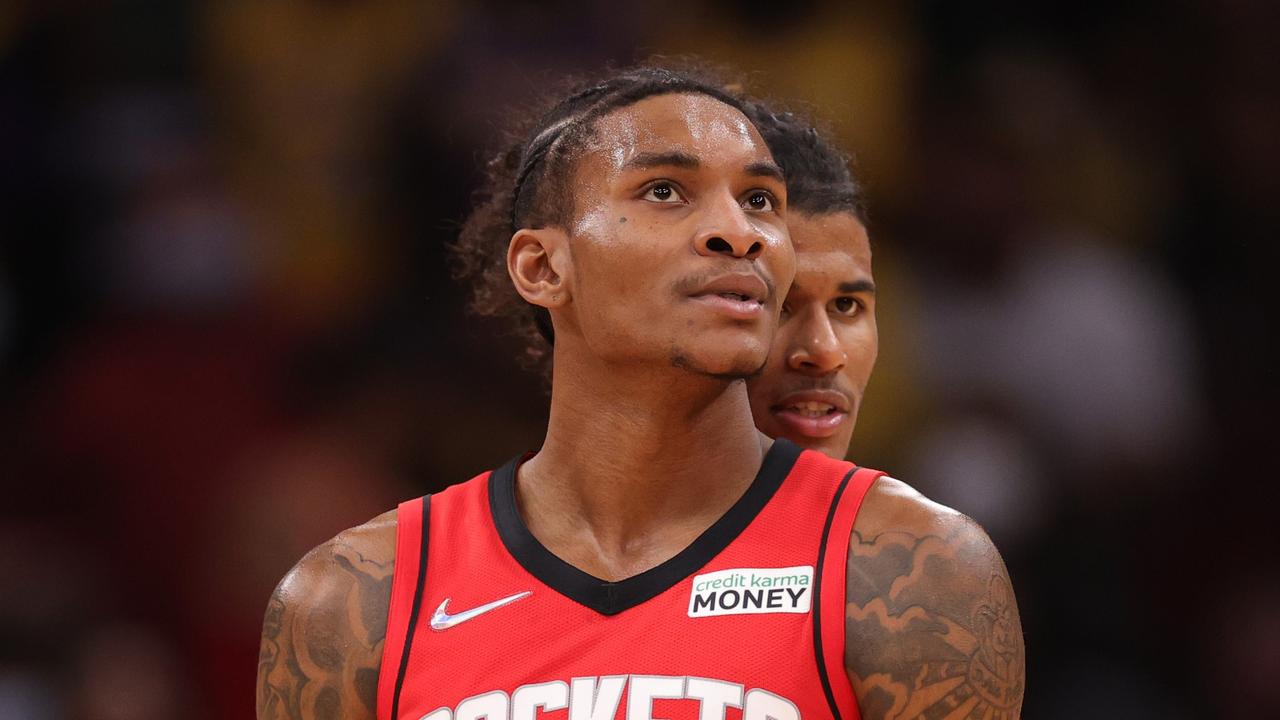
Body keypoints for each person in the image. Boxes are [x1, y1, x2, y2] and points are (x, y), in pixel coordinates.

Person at [256, 66, 1024, 720]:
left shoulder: (909, 572)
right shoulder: (352, 601)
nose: (740, 231)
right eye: (665, 190)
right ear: (542, 269)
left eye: (759, 201)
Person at [745, 105, 1025, 717]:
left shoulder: (927, 576)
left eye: (848, 307)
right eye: (779, 305)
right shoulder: (485, 555)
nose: (823, 353)